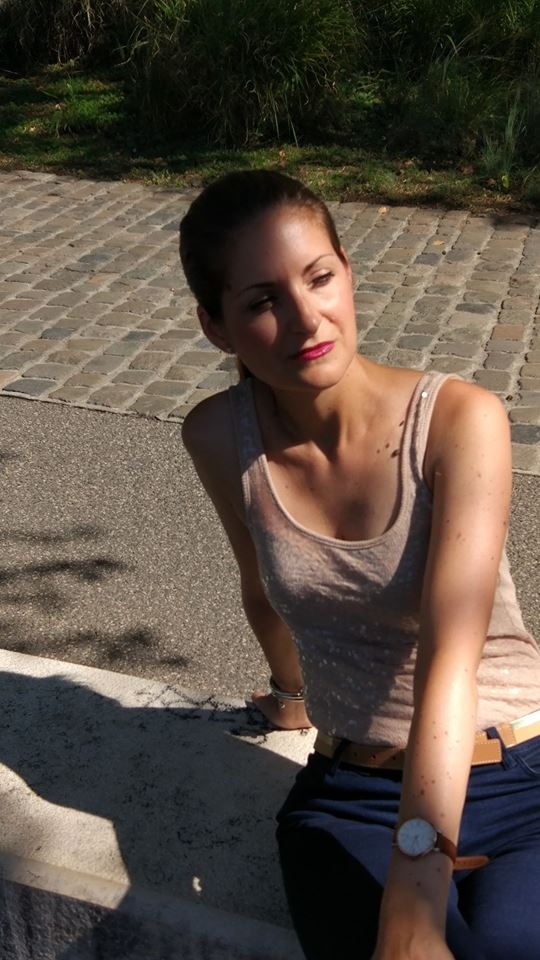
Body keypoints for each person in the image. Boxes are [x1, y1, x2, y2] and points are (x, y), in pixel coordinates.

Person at [179, 169, 540, 960]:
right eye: (263, 301)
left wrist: (415, 897)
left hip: (518, 771)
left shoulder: (459, 420)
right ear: (216, 326)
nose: (307, 318)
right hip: (351, 796)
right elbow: (262, 587)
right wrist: (291, 697)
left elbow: (451, 654)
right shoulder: (219, 437)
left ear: (347, 271)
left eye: (319, 278)